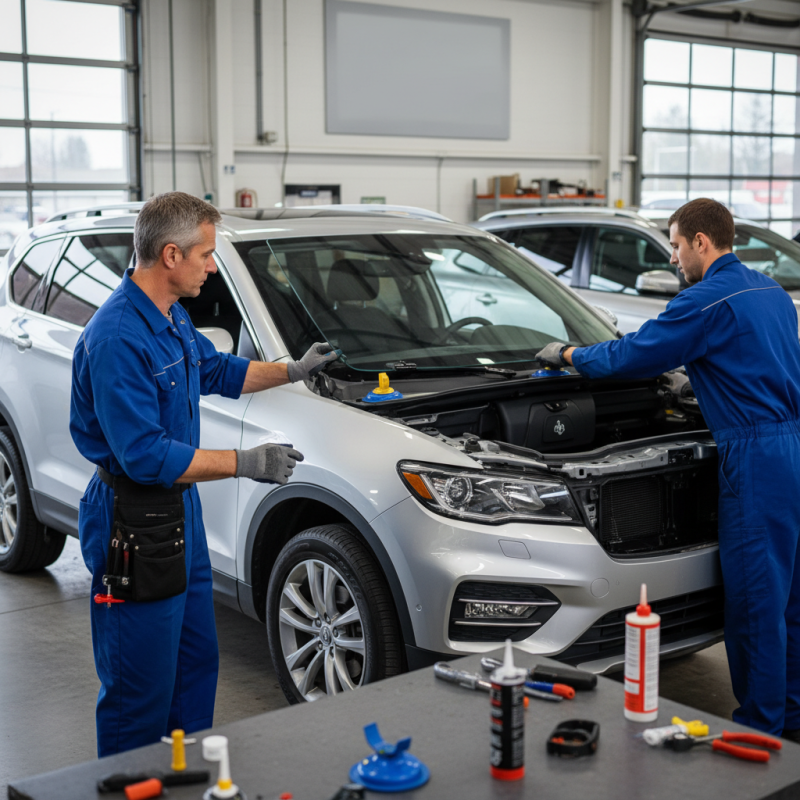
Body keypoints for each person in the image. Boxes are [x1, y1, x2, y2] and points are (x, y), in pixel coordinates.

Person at [70, 192, 338, 756]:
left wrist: (291, 370)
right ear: (171, 255)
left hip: (179, 513)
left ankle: (184, 776)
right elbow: (144, 455)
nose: (212, 266)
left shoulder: (170, 315)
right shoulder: (118, 337)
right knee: (138, 688)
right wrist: (247, 463)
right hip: (133, 523)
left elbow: (214, 368)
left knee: (194, 663)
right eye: (207, 255)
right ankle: (128, 786)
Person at [536, 198, 800, 738]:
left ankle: (760, 732)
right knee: (791, 598)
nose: (675, 259)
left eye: (677, 245)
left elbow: (630, 356)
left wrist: (565, 355)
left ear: (702, 242)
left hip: (756, 458)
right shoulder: (771, 292)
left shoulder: (705, 299)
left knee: (755, 605)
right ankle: (792, 723)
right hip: (792, 445)